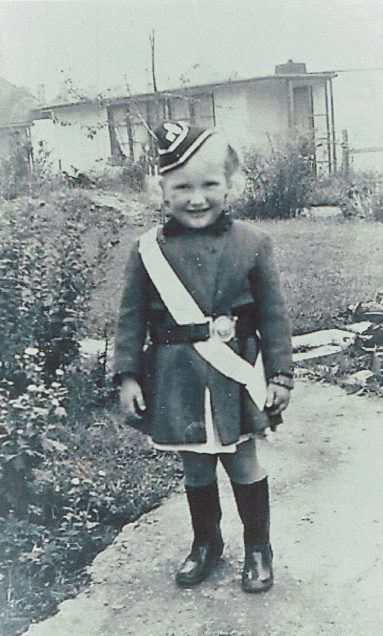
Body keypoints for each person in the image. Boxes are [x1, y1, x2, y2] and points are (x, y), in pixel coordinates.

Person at [114, 120, 293, 593]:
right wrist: (128, 376)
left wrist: (281, 374)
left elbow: (273, 315)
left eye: (210, 185)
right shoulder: (149, 250)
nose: (197, 199)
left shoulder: (253, 243)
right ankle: (206, 543)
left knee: (242, 460)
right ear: (162, 190)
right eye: (182, 187)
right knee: (195, 464)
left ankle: (258, 548)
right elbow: (129, 317)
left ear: (229, 186)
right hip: (178, 378)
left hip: (235, 376)